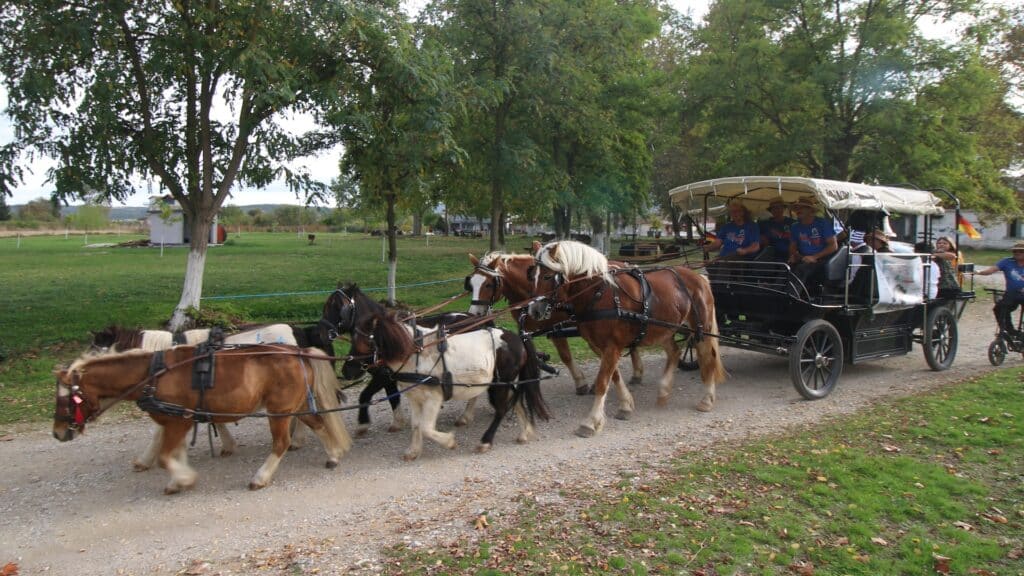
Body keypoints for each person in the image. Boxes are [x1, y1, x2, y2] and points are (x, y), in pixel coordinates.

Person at [788, 197, 838, 291]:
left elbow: (833, 245)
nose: (798, 210)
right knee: (785, 267)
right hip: (803, 257)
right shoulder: (795, 227)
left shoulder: (822, 223)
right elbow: (792, 246)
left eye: (801, 208)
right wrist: (794, 255)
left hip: (822, 258)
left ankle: (792, 298)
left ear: (810, 210)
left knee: (801, 269)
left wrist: (814, 257)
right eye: (797, 208)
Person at [977, 242, 1024, 339]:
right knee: (999, 308)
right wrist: (979, 272)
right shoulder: (1007, 261)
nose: (1017, 253)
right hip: (1012, 294)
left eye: (1021, 251)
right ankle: (1010, 331)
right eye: (1015, 251)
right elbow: (991, 270)